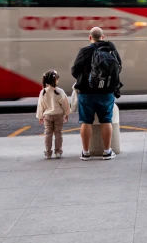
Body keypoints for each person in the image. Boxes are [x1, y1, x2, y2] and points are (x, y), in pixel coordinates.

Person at [71, 27, 122, 161]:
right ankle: (107, 151)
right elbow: (119, 67)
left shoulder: (85, 51)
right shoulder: (111, 50)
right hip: (106, 91)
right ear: (102, 37)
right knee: (106, 120)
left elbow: (74, 70)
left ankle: (86, 152)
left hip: (87, 92)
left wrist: (85, 79)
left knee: (85, 121)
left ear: (90, 38)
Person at [36, 69, 70, 159]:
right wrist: (67, 113)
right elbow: (65, 104)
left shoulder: (43, 92)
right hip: (58, 115)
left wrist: (40, 116)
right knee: (58, 133)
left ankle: (48, 152)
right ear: (56, 80)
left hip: (47, 116)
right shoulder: (60, 92)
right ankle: (58, 151)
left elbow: (40, 105)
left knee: (48, 133)